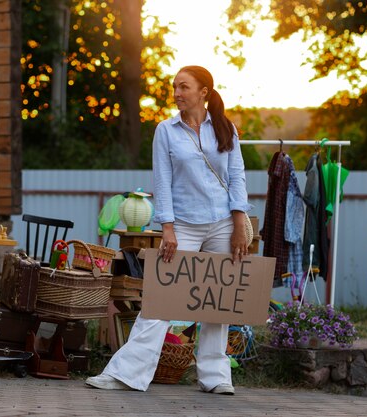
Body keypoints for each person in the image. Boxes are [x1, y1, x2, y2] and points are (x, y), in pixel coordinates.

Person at [85, 65, 251, 395]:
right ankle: (126, 374)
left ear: (204, 91)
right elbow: (163, 182)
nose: (176, 93)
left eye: (184, 87)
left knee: (217, 301)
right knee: (160, 300)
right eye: (174, 87)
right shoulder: (166, 130)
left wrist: (237, 226)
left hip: (222, 224)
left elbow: (237, 179)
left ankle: (215, 376)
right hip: (184, 225)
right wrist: (168, 229)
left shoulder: (226, 129)